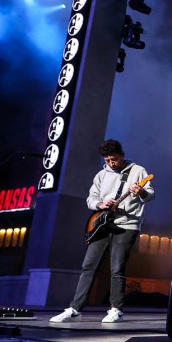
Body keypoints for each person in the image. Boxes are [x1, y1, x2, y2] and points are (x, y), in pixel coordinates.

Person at [51, 139, 155, 324]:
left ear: (122, 155)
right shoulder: (101, 175)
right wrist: (100, 204)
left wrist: (140, 192)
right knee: (88, 265)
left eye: (114, 159)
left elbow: (150, 195)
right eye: (107, 160)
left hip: (127, 225)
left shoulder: (138, 171)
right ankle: (75, 308)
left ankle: (116, 309)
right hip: (103, 224)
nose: (111, 163)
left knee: (117, 267)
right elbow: (91, 199)